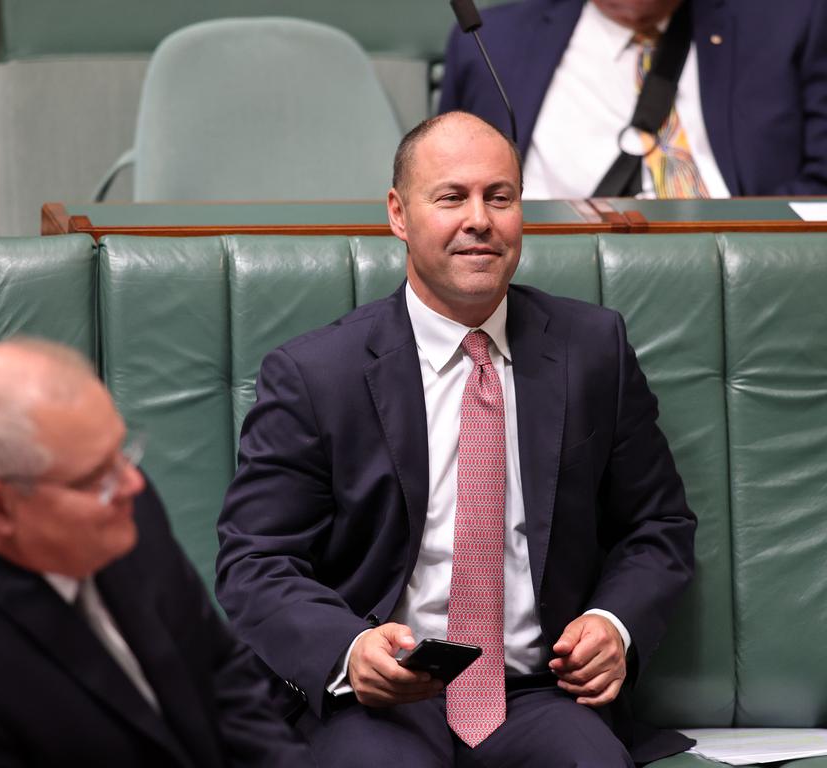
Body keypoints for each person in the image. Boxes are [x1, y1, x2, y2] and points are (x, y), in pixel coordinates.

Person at [216, 111, 697, 766]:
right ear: (398, 213)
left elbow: (658, 525)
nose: (480, 220)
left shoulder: (593, 351)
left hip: (540, 695)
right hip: (381, 701)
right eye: (452, 197)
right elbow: (254, 562)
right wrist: (348, 651)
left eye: (500, 197)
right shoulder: (315, 375)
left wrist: (615, 625)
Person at [0, 338, 314, 768]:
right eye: (96, 476)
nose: (132, 482)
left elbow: (221, 674)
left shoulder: (120, 505)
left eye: (119, 450)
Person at [439, 0, 827, 198]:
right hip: (557, 293)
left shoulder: (790, 24)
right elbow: (447, 196)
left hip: (745, 279)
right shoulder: (488, 43)